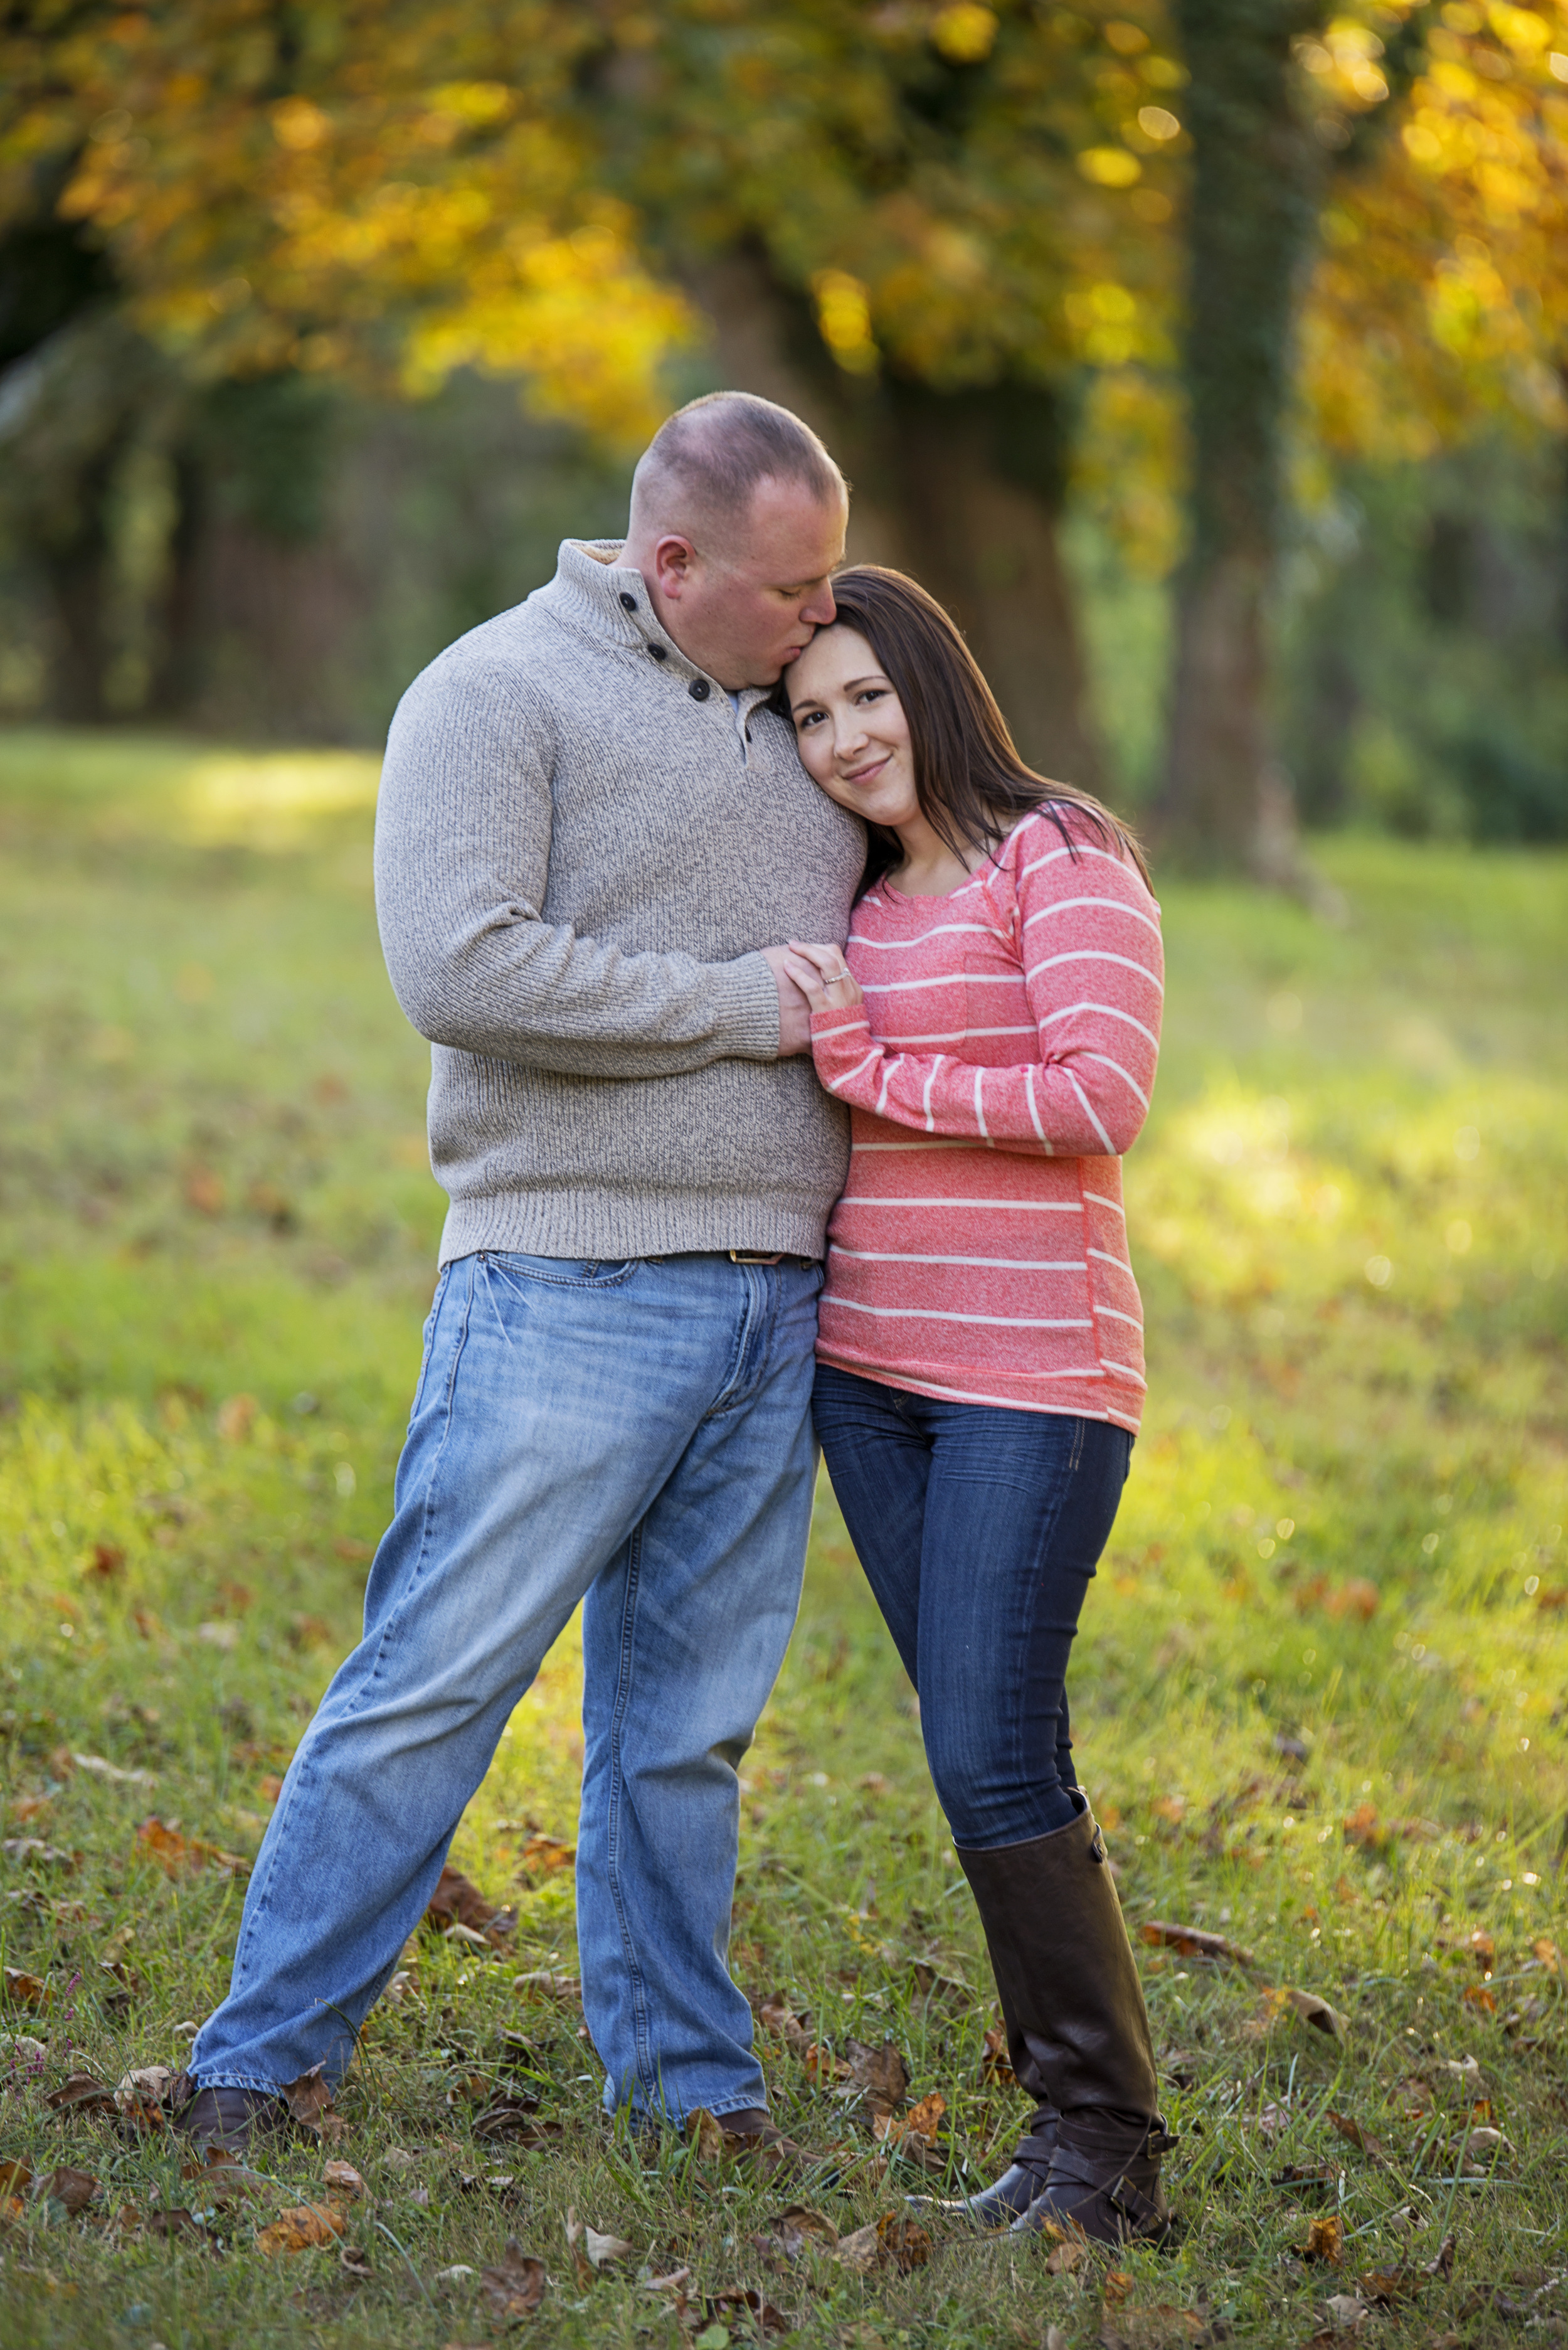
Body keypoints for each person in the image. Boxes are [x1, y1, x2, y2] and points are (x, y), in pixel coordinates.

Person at [173, 391, 865, 2156]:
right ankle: (256, 2065)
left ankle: (686, 2090)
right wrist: (734, 1007)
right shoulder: (493, 693)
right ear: (672, 558)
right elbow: (464, 969)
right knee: (432, 1683)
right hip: (564, 1283)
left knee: (685, 1731)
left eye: (832, 581)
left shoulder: (816, 703)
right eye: (791, 587)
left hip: (780, 1295)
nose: (822, 616)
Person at [778, 567, 1172, 2244]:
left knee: (995, 1742)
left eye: (866, 694)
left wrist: (878, 1071)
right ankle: (1065, 2138)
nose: (844, 736)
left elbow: (1104, 1093)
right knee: (968, 1742)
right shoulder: (858, 894)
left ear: (931, 681)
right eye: (808, 715)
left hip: (1030, 1377)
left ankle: (1105, 2151)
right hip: (868, 1375)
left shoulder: (1056, 851)